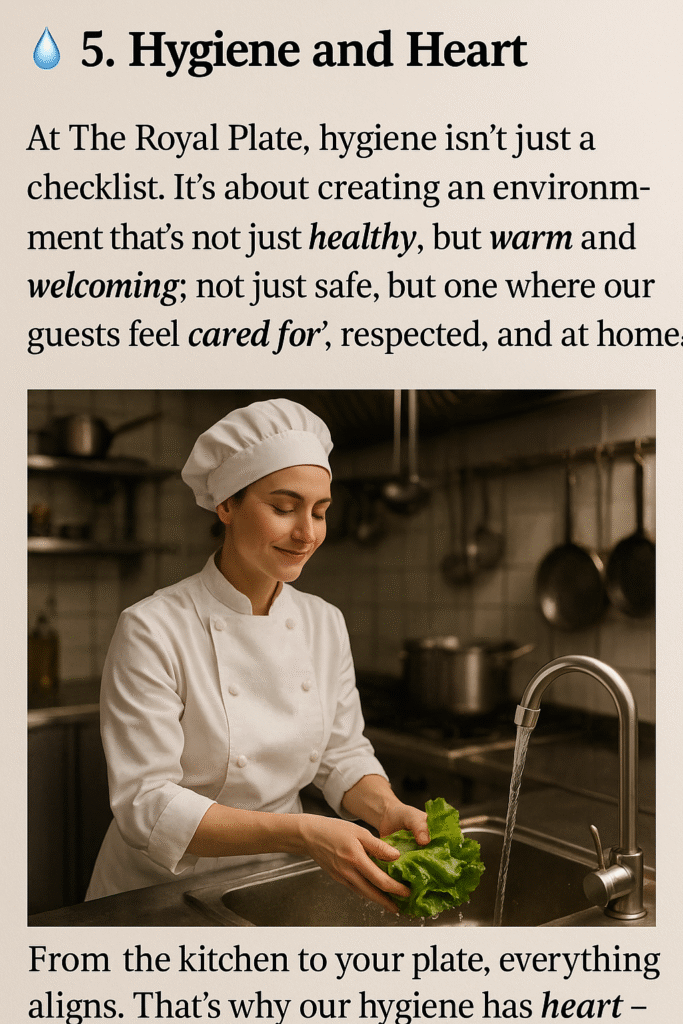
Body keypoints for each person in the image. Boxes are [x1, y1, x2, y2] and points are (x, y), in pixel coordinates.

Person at [86, 398, 428, 911]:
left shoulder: (323, 622)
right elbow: (147, 804)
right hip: (156, 894)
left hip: (275, 883)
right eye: (284, 507)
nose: (306, 533)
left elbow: (341, 754)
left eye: (320, 511)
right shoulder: (152, 628)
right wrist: (302, 833)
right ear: (227, 504)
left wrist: (386, 807)